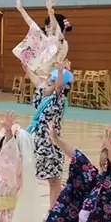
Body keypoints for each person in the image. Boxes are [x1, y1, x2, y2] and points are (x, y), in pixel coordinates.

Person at [23, 60, 73, 206]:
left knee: (54, 180)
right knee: (49, 179)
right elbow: (37, 83)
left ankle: (54, 210)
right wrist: (27, 69)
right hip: (40, 143)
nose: (45, 86)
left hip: (51, 144)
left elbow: (58, 87)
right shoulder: (44, 99)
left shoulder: (59, 100)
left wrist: (59, 72)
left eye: (50, 84)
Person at [13, 0, 71, 80]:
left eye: (49, 26)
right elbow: (31, 23)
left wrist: (50, 12)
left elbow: (55, 27)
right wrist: (21, 9)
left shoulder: (60, 39)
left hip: (54, 77)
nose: (47, 29)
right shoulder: (45, 40)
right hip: (41, 76)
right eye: (47, 27)